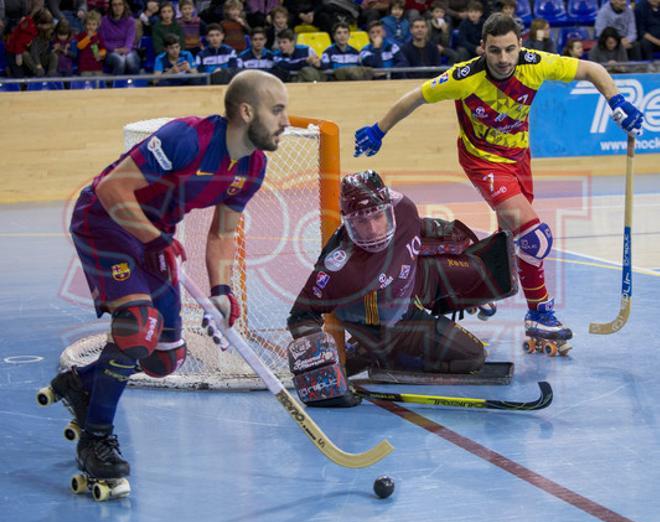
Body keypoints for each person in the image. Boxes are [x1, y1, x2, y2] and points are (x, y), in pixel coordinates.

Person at [40, 70, 289, 488]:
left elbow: (223, 233)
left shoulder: (254, 166)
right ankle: (96, 440)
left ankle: (80, 383)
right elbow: (112, 192)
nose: (286, 121)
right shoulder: (186, 139)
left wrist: (221, 292)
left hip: (155, 239)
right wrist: (156, 239)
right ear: (246, 111)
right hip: (106, 224)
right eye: (278, 110)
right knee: (137, 329)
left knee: (162, 359)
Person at [353, 13, 644, 355]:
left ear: (521, 46)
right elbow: (415, 97)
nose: (503, 59)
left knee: (512, 240)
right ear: (483, 49)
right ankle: (540, 312)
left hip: (519, 159)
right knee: (534, 236)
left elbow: (593, 70)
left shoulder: (536, 64)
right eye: (495, 51)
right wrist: (379, 129)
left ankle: (475, 286)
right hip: (482, 161)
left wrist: (616, 100)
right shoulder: (465, 77)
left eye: (510, 50)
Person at [286, 170, 517, 407]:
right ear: (347, 220)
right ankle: (381, 355)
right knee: (472, 357)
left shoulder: (404, 207)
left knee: (478, 270)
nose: (374, 229)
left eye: (377, 216)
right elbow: (300, 316)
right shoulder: (339, 268)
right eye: (361, 221)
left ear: (388, 207)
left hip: (410, 282)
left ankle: (375, 348)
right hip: (391, 324)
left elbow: (418, 229)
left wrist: (452, 236)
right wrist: (320, 370)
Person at [100, 0, 140, 75]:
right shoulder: (104, 21)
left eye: (120, 4)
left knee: (130, 60)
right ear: (111, 7)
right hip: (110, 51)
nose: (117, 7)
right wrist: (115, 49)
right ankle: (117, 85)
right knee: (120, 61)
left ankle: (134, 84)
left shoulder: (130, 21)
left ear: (124, 6)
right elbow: (103, 41)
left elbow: (130, 39)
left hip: (127, 49)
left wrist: (126, 49)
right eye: (114, 5)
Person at [76, 10, 106, 75]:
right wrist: (88, 37)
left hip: (97, 66)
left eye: (94, 24)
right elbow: (79, 46)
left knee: (99, 84)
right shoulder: (82, 35)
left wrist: (100, 54)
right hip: (84, 67)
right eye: (89, 24)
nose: (91, 26)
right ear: (85, 24)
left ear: (97, 25)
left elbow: (103, 49)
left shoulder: (99, 36)